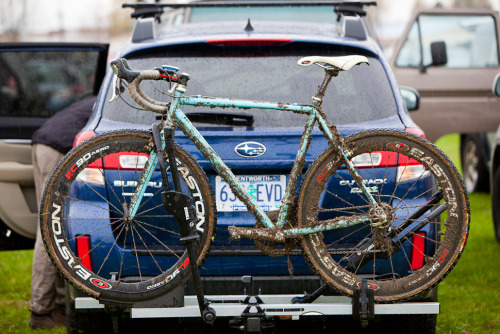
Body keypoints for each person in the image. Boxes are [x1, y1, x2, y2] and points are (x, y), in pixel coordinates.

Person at [29, 95, 96, 329]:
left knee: (59, 226)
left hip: (44, 143)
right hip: (56, 149)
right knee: (50, 229)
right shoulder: (118, 101)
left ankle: (57, 303)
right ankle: (40, 311)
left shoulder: (104, 94)